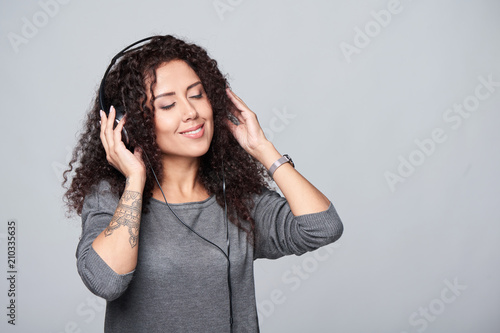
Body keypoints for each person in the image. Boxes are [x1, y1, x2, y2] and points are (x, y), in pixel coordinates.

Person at [63, 35, 343, 333]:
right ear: (128, 125)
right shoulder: (112, 198)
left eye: (196, 95)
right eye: (168, 104)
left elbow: (323, 227)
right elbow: (106, 281)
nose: (191, 112)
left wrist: (263, 149)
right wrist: (134, 179)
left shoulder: (236, 197)